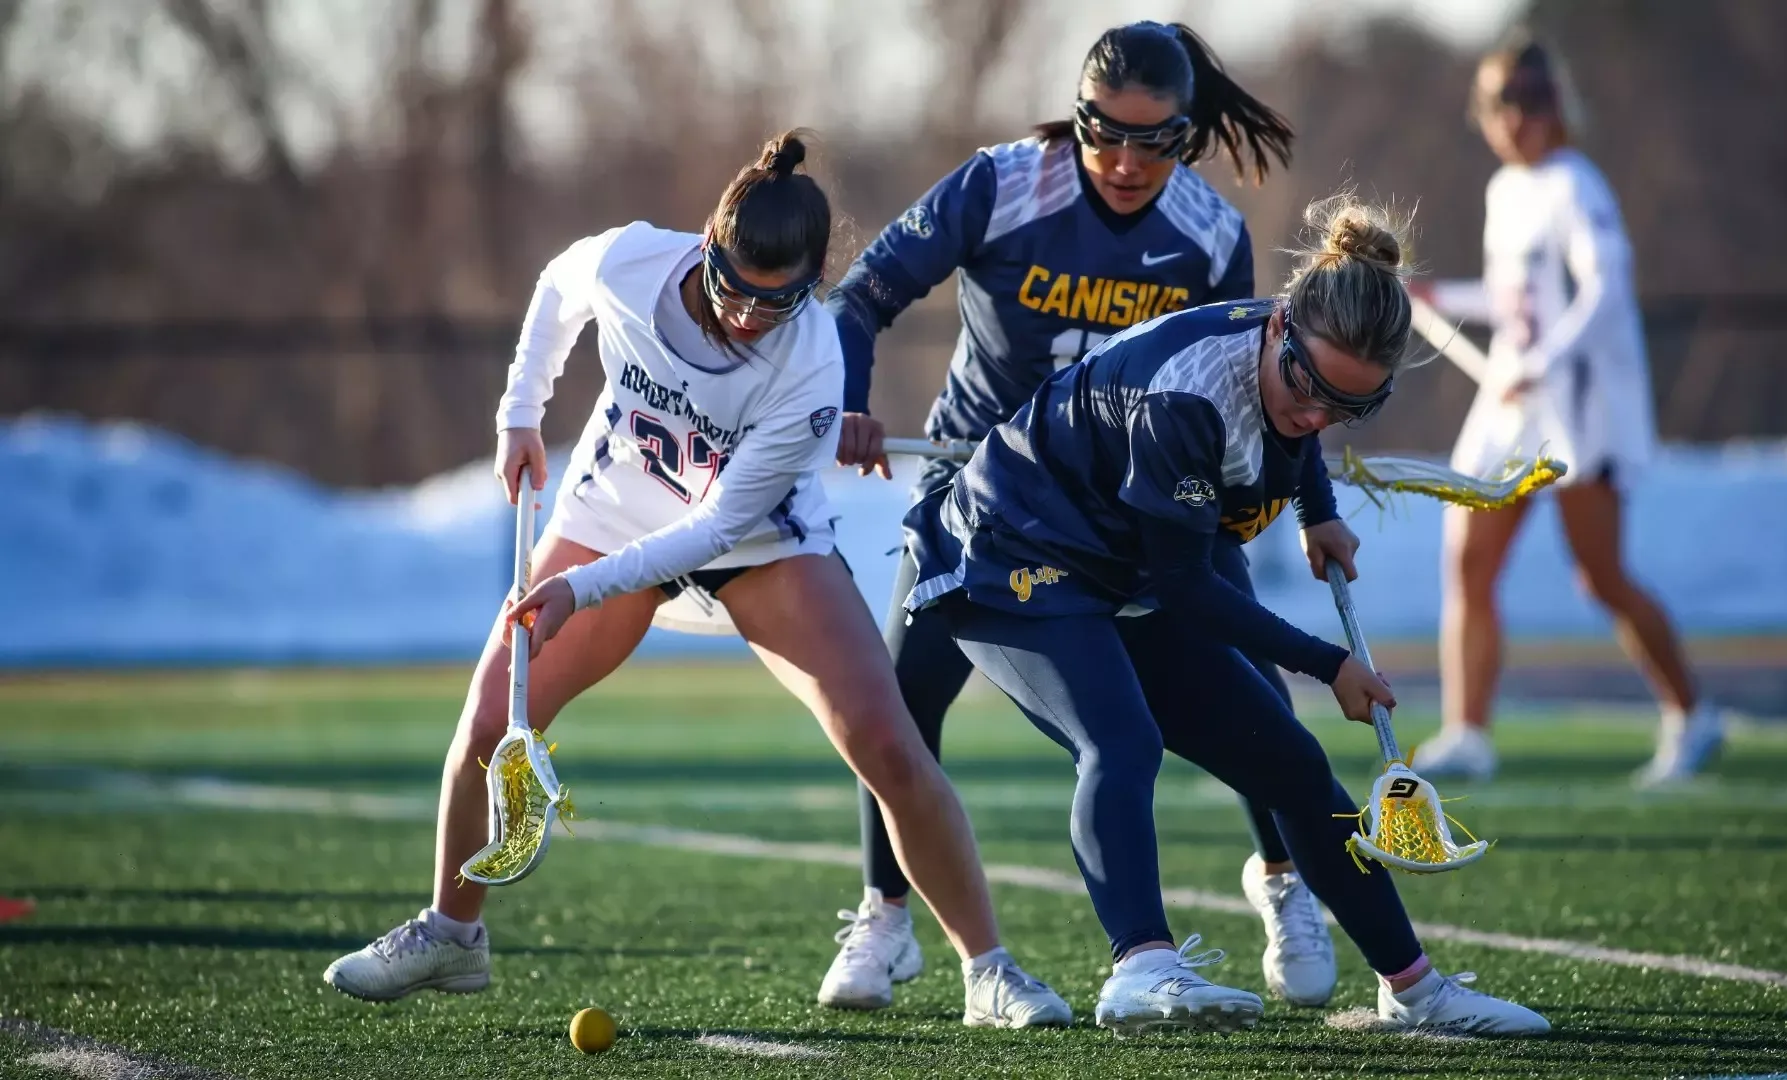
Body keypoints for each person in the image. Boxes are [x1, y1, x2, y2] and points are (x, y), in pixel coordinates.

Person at [321, 131, 1071, 1030]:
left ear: (810, 286)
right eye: (735, 290)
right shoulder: (637, 260)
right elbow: (560, 284)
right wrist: (520, 412)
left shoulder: (813, 362)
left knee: (886, 739)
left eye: (780, 300)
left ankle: (987, 969)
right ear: (708, 248)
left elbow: (714, 529)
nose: (752, 316)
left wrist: (581, 589)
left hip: (759, 541)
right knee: (490, 720)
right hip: (615, 511)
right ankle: (453, 933)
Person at [898, 193, 1553, 1037]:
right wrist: (1330, 665)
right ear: (1282, 326)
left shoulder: (1294, 358)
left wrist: (1317, 507)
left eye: (1350, 407)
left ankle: (1414, 989)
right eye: (1312, 389)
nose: (1318, 415)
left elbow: (1295, 431)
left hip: (1115, 557)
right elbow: (1191, 588)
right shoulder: (1189, 397)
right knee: (1121, 738)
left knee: (1290, 759)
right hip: (1011, 550)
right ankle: (1141, 968)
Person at [820, 19, 1339, 1013]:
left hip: (1139, 505)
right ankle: (886, 914)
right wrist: (849, 398)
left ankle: (1283, 885)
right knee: (900, 699)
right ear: (1079, 112)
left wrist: (1308, 504)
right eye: (1108, 131)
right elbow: (863, 296)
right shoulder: (1003, 184)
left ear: (1187, 136)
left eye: (1158, 140)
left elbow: (1257, 385)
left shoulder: (1209, 233)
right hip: (988, 495)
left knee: (1248, 685)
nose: (1128, 159)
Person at [1408, 31, 1720, 786]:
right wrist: (1436, 297)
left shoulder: (1577, 186)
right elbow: (1518, 302)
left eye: (1531, 101)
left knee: (1600, 575)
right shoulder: (1504, 191)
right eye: (1499, 103)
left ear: (1558, 107)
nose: (1516, 118)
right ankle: (1469, 733)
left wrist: (1544, 364)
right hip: (1514, 402)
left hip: (1582, 405)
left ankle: (1692, 713)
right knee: (1469, 560)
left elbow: (1605, 293)